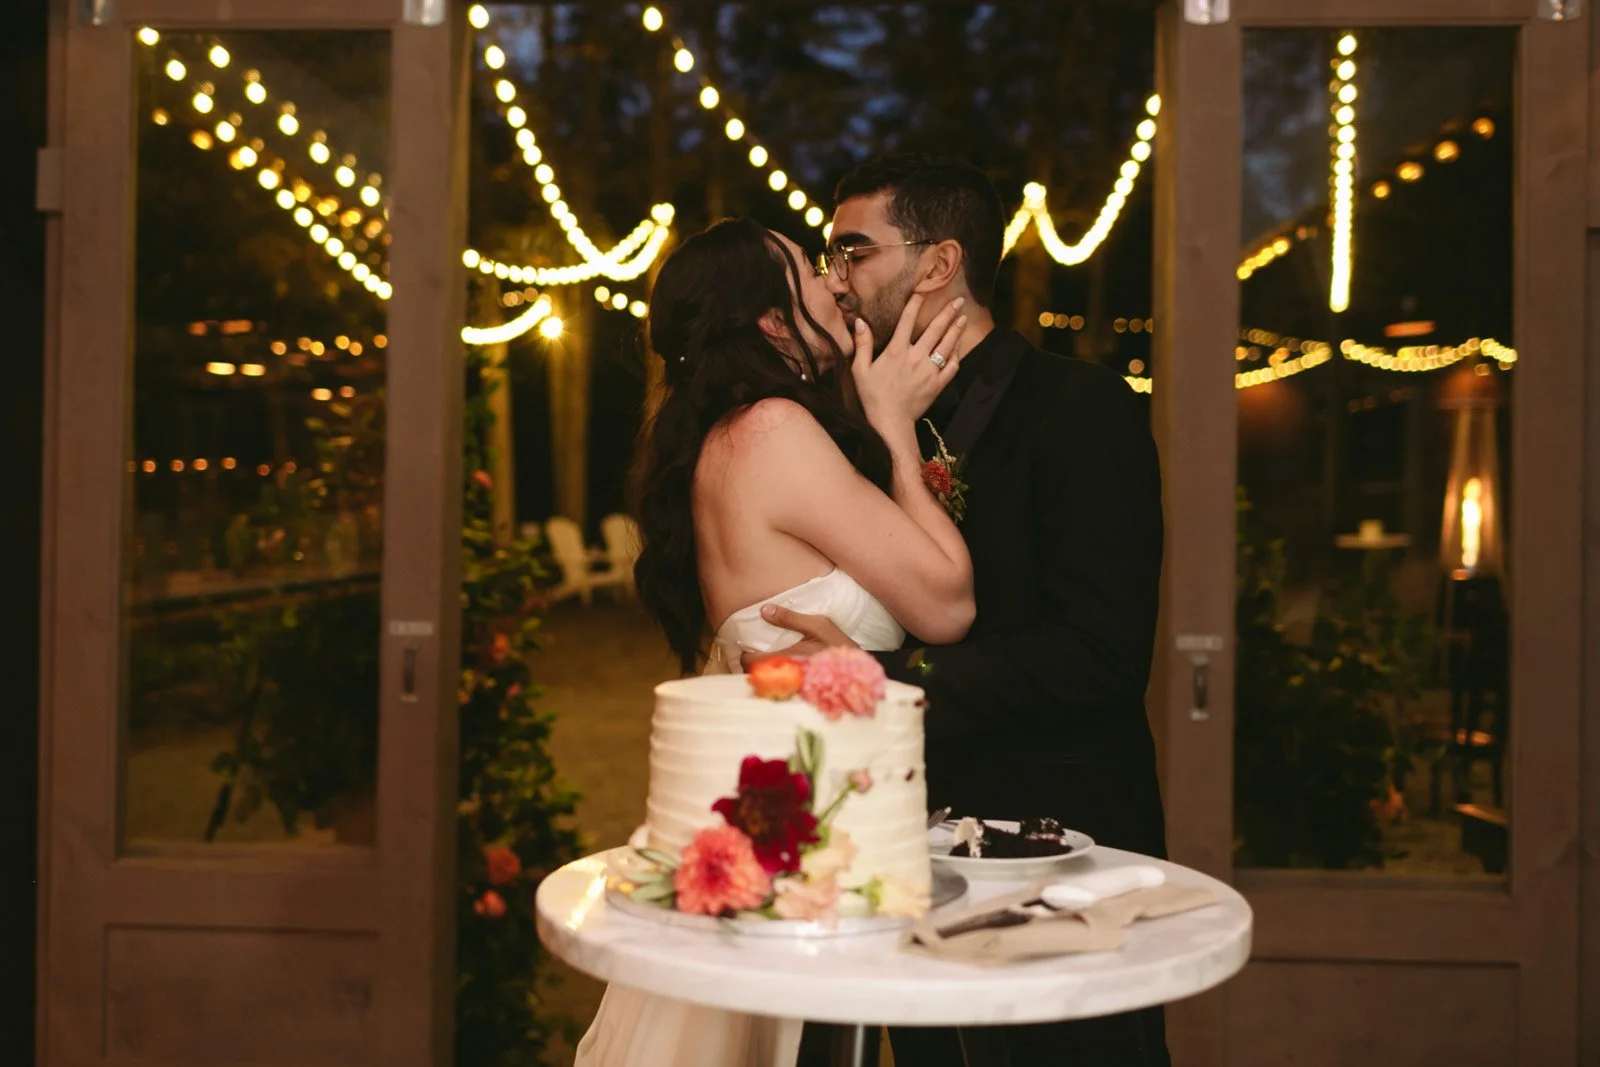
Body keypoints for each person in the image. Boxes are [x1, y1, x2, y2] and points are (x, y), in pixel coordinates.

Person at [751, 155, 1171, 1066]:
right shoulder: (846, 428)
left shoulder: (1080, 406)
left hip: (1060, 855)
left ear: (939, 265)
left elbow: (1101, 654)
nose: (835, 280)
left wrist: (893, 683)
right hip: (901, 853)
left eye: (851, 252)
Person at [574, 215, 976, 1067]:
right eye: (807, 267)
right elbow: (945, 605)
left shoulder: (727, 438)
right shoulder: (772, 432)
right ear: (768, 320)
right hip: (800, 824)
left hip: (792, 809)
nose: (835, 281)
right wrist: (897, 429)